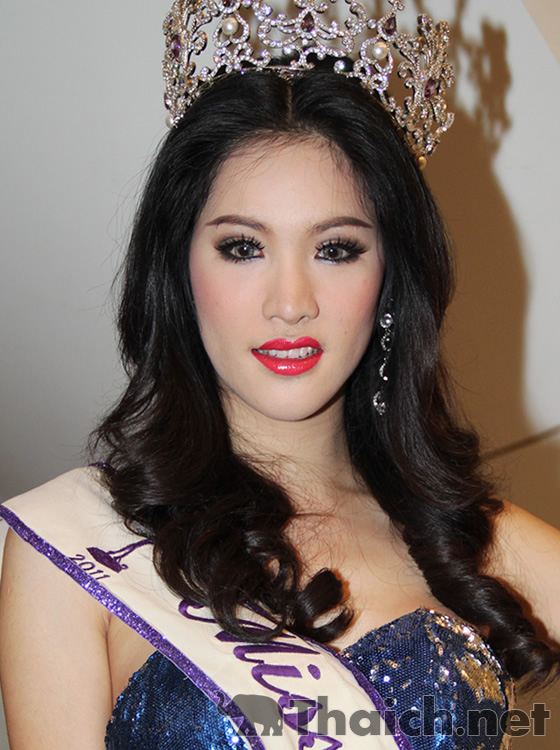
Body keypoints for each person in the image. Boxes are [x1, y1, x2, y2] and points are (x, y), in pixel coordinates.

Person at [0, 2, 559, 748]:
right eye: (242, 247)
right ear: (179, 271)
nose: (290, 303)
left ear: (391, 279)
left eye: (336, 249)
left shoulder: (479, 546)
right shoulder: (74, 544)